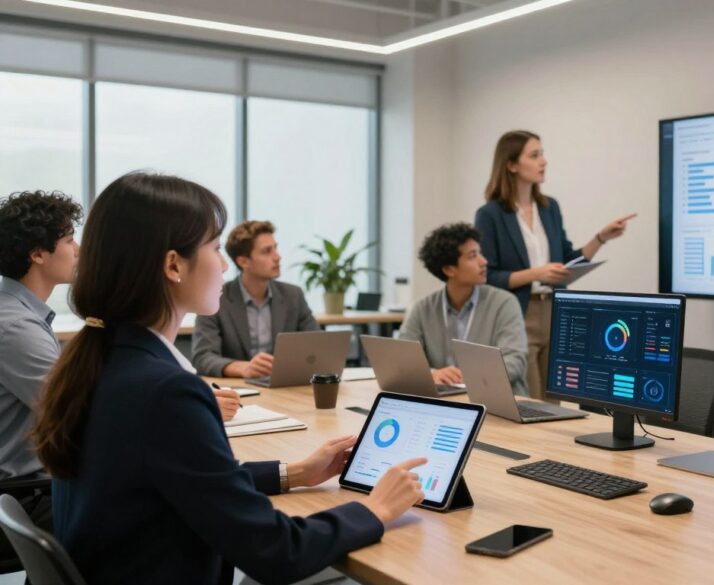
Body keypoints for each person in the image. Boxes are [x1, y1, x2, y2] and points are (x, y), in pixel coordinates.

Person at [31, 172, 426, 584]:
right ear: (173, 265)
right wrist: (375, 508)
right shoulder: (165, 393)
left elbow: (187, 478)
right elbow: (277, 551)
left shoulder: (102, 357)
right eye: (216, 248)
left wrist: (295, 473)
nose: (222, 265)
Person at [475, 130, 636, 399]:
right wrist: (536, 273)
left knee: (554, 400)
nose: (544, 161)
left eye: (542, 154)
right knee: (527, 398)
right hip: (518, 313)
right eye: (534, 155)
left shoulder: (550, 208)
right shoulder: (490, 214)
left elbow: (567, 260)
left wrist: (600, 238)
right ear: (512, 164)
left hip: (555, 311)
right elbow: (487, 276)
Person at [0, 190, 80, 564]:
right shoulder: (16, 326)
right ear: (37, 254)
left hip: (31, 487)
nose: (77, 250)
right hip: (25, 494)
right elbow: (74, 411)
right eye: (69, 240)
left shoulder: (20, 313)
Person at [399, 223, 528, 394]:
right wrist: (433, 374)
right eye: (473, 256)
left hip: (496, 398)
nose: (483, 261)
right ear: (448, 269)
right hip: (446, 400)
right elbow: (402, 362)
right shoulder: (423, 309)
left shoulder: (504, 303)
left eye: (480, 253)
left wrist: (471, 378)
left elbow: (515, 361)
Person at [192, 220, 319, 378]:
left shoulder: (293, 295)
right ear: (243, 261)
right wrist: (243, 368)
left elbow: (317, 345)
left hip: (283, 385)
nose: (277, 257)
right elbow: (202, 357)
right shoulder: (215, 298)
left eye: (275, 248)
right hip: (239, 388)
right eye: (267, 251)